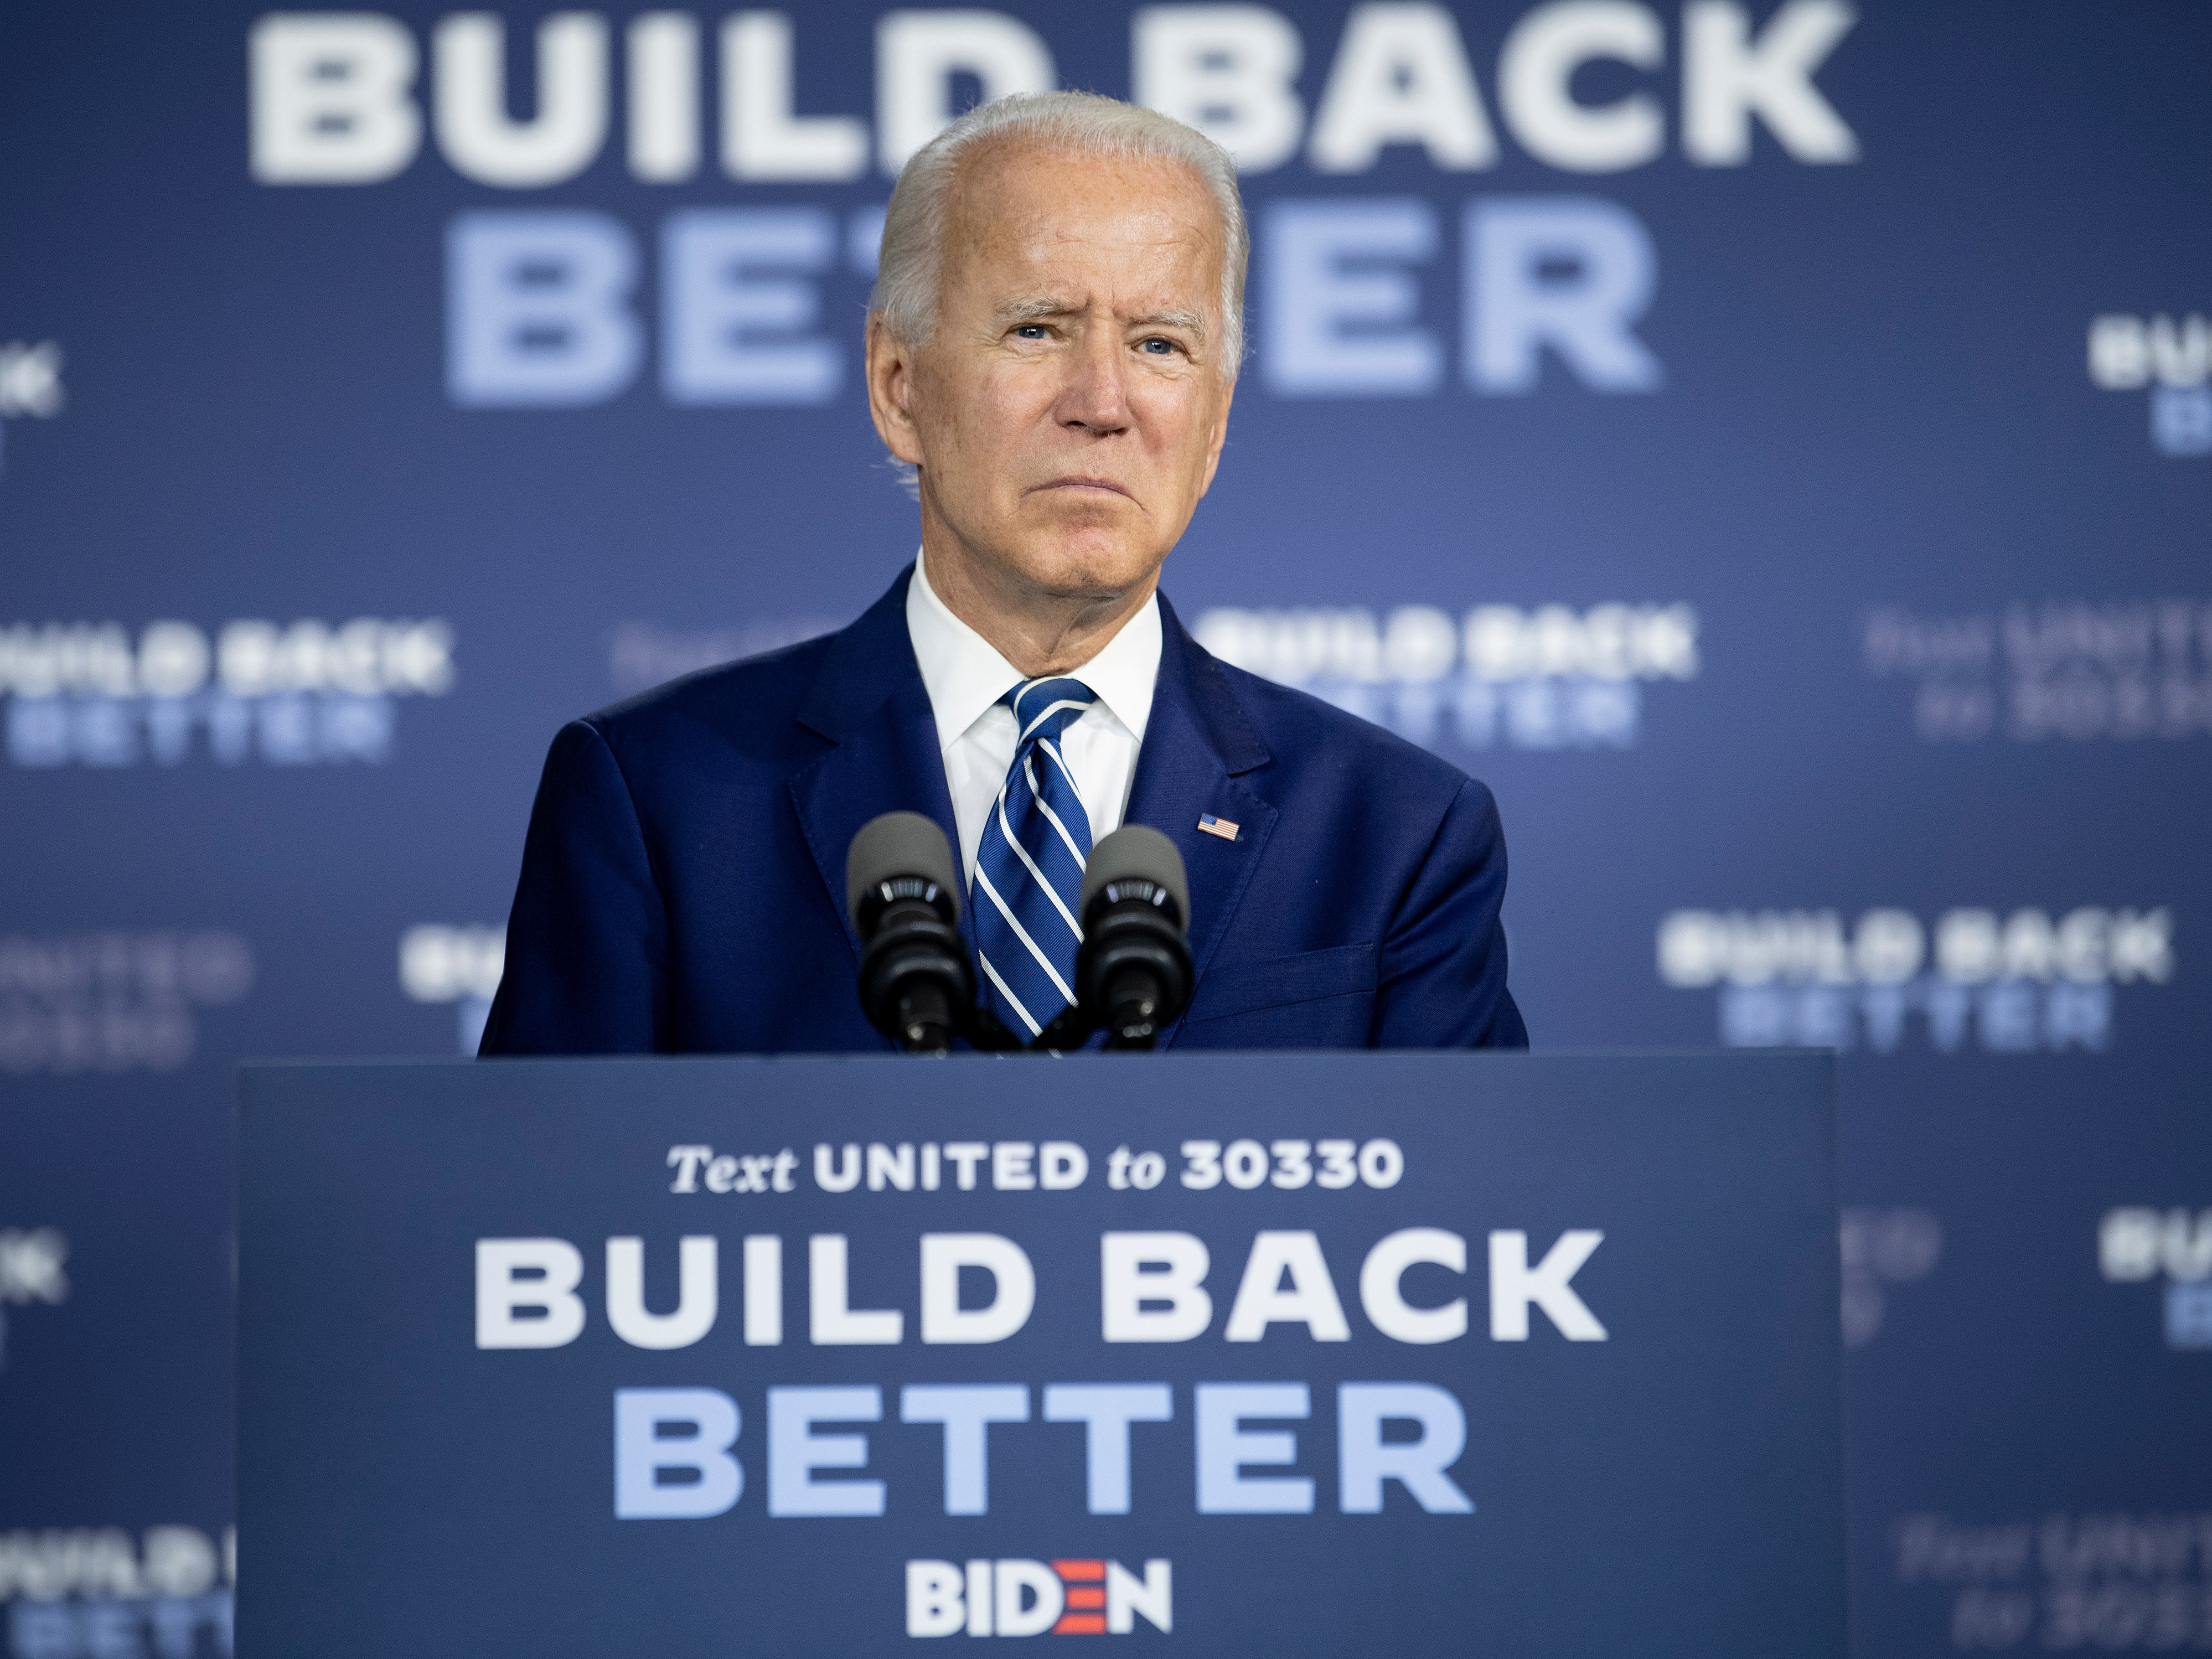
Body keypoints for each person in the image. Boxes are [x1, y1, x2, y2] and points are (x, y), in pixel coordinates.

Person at [480, 91, 1525, 1055]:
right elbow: (546, 1223)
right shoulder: (657, 799)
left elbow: (1467, 1225)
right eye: (1038, 329)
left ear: (1213, 427)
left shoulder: (1398, 834)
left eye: (1161, 346)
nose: (1104, 402)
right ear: (899, 388)